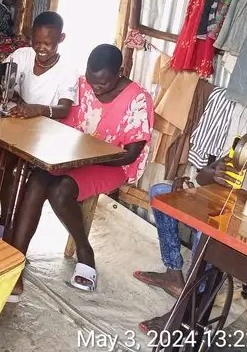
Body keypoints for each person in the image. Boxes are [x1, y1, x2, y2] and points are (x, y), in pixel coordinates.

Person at [9, 44, 153, 297]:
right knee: (37, 178)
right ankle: (15, 265)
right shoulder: (81, 84)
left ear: (120, 72)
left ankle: (85, 252)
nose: (95, 88)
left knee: (60, 190)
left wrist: (84, 159)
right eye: (91, 79)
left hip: (112, 163)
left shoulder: (138, 99)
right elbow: (64, 122)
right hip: (73, 156)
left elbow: (129, 154)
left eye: (103, 84)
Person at [137, 126, 247, 334]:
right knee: (160, 192)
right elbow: (203, 178)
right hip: (225, 211)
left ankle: (189, 306)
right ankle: (173, 273)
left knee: (207, 235)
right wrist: (214, 174)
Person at [0, 11, 79, 229]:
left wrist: (37, 109)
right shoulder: (23, 55)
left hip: (42, 133)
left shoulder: (68, 70)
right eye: (37, 42)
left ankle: (3, 220)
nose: (41, 48)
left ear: (61, 39)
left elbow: (64, 109)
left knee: (5, 165)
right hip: (16, 123)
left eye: (48, 44)